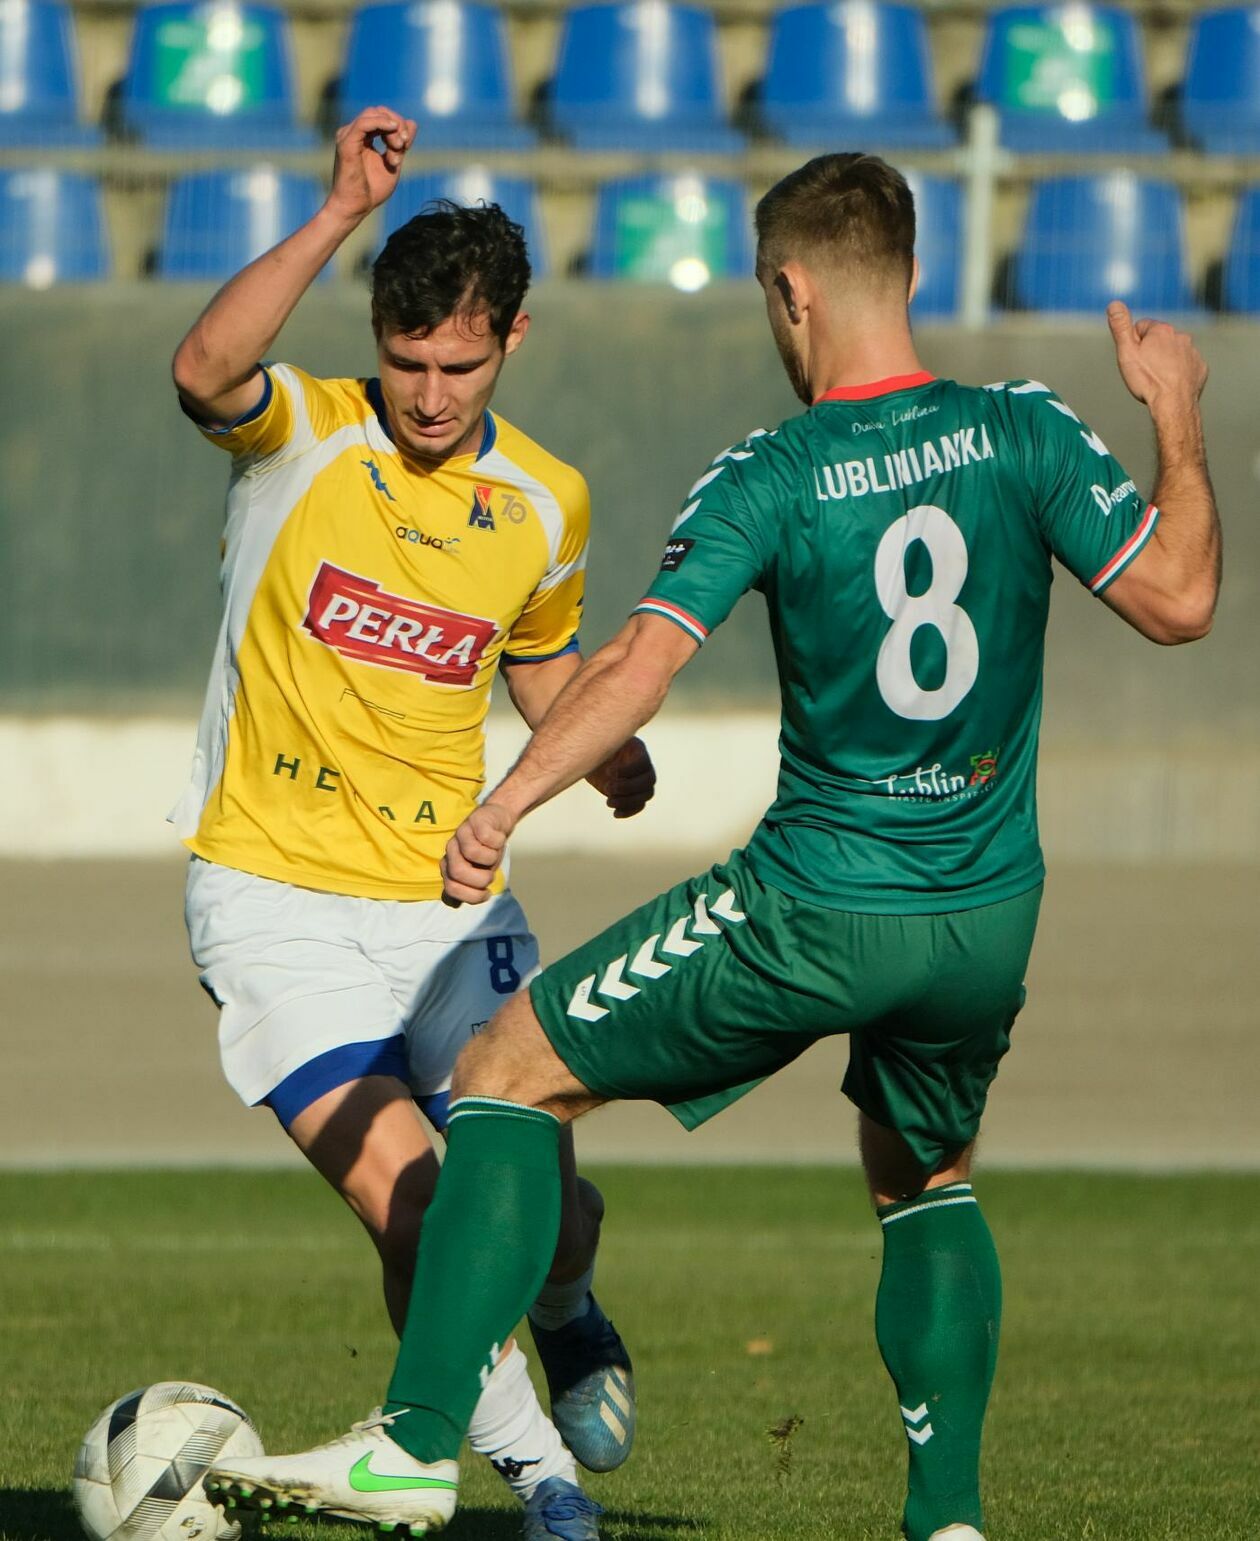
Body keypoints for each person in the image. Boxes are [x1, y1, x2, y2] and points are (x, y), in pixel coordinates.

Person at [204, 153, 1220, 1540]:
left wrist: (510, 803)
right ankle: (951, 1518)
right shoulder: (1026, 428)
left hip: (815, 904)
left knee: (507, 1072)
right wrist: (1174, 418)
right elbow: (1181, 596)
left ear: (789, 290)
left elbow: (636, 660)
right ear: (911, 274)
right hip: (984, 920)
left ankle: (416, 1441)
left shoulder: (775, 470)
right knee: (925, 1177)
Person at [171, 106, 654, 1540]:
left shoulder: (543, 500)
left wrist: (595, 744)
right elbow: (204, 366)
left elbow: (537, 656)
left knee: (549, 1219)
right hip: (272, 894)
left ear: (510, 339)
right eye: (404, 362)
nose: (428, 394)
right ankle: (541, 1483)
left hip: (452, 908)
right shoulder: (304, 436)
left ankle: (565, 1307)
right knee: (423, 1205)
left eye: (456, 364)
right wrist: (332, 215)